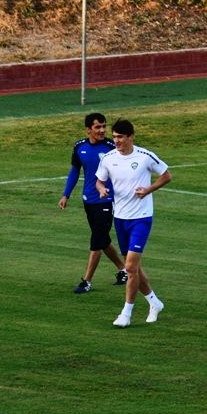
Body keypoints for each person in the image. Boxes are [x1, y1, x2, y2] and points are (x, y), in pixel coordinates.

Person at [95, 119, 171, 328]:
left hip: (141, 218)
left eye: (120, 137)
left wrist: (148, 190)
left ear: (130, 137)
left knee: (129, 267)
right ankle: (154, 302)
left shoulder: (145, 156)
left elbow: (166, 175)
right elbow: (99, 180)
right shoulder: (109, 159)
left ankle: (126, 313)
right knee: (134, 268)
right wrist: (101, 189)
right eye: (115, 137)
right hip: (120, 218)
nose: (116, 141)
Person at [58, 112, 128, 294]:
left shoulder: (113, 147)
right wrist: (66, 194)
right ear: (88, 129)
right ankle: (124, 270)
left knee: (96, 241)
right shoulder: (79, 147)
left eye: (104, 126)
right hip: (88, 200)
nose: (102, 130)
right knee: (102, 240)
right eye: (98, 127)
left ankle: (86, 281)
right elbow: (74, 171)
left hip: (107, 200)